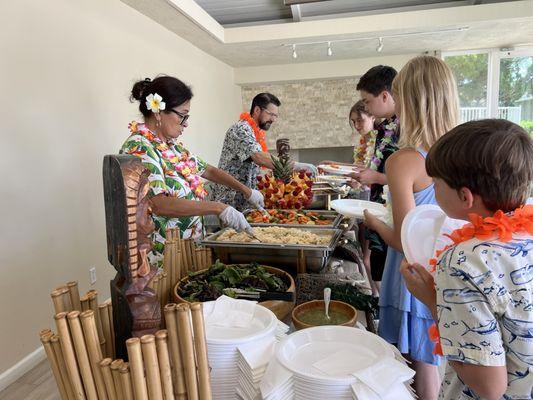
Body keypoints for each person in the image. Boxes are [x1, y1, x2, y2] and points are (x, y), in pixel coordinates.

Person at [400, 119, 533, 400]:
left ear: (465, 196)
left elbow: (489, 386)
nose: (433, 189)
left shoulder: (462, 263)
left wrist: (433, 300)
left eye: (436, 183)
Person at [363, 56, 460, 399]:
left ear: (410, 100)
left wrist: (372, 220)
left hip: (411, 277)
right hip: (445, 272)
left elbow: (405, 240)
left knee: (407, 369)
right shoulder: (461, 153)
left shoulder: (404, 160)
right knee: (429, 362)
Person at [121, 76, 263, 263]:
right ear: (158, 112)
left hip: (189, 247)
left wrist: (247, 191)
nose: (186, 123)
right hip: (164, 255)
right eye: (182, 115)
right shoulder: (140, 146)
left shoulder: (172, 146)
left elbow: (209, 171)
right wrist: (219, 208)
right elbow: (158, 203)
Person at [211, 93, 316, 211]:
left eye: (276, 116)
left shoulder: (255, 132)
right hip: (229, 201)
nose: (273, 120)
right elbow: (259, 157)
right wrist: (296, 166)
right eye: (271, 114)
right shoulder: (241, 129)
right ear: (257, 110)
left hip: (245, 200)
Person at [351, 66, 400, 291]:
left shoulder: (404, 128)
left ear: (385, 95)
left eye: (367, 101)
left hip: (393, 212)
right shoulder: (385, 127)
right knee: (380, 267)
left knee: (386, 270)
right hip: (380, 205)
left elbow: (406, 177)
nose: (366, 106)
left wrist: (377, 177)